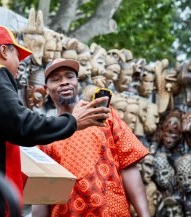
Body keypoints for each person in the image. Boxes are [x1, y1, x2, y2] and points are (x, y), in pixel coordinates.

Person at [0, 26, 110, 217]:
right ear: (3, 51)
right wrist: (72, 122)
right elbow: (22, 125)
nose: (19, 64)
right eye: (17, 55)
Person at [33, 58, 150, 217]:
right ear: (46, 89)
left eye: (69, 76)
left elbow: (128, 166)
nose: (64, 82)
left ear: (77, 82)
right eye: (56, 79)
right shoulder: (46, 132)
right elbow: (41, 193)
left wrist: (144, 214)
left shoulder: (103, 114)